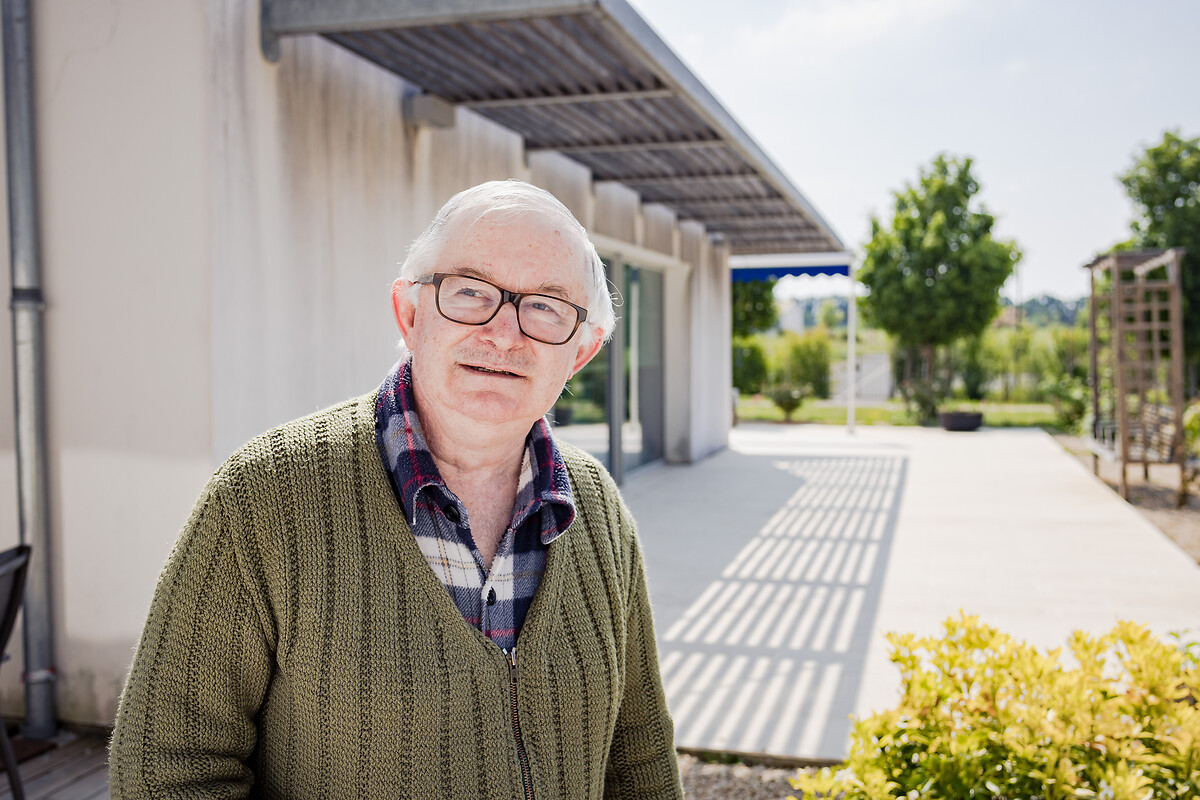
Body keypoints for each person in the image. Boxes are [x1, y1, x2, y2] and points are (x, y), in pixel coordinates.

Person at [108, 180, 683, 799]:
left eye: (545, 306)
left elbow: (639, 754)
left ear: (581, 350)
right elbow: (166, 768)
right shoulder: (266, 496)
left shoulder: (595, 507)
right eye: (469, 292)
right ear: (410, 314)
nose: (503, 333)